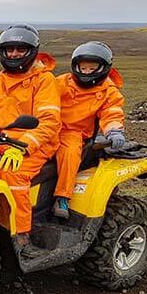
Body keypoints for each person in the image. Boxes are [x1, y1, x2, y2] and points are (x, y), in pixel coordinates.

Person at [0, 23, 61, 257]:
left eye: (20, 49)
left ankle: (22, 236)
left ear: (32, 51)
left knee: (11, 173)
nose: (14, 54)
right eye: (9, 49)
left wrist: (22, 147)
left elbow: (48, 122)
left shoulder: (44, 81)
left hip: (35, 144)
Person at [52, 41, 126, 219]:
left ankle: (62, 197)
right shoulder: (60, 82)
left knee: (69, 153)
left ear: (103, 68)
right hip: (49, 128)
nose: (86, 72)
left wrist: (114, 131)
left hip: (74, 133)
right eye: (82, 68)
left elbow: (112, 112)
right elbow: (39, 100)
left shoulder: (109, 91)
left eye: (91, 69)